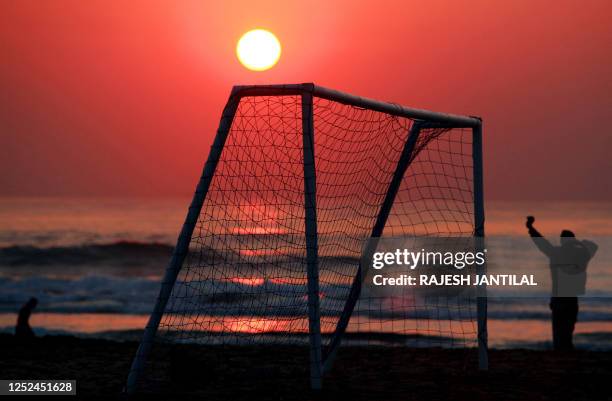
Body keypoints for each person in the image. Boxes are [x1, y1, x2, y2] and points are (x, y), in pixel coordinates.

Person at [526, 216, 598, 350]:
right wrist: (578, 243)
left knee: (560, 329)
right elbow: (593, 246)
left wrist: (531, 228)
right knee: (567, 329)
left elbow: (541, 242)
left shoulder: (556, 253)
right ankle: (564, 350)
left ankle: (562, 350)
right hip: (569, 298)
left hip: (560, 298)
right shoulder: (580, 254)